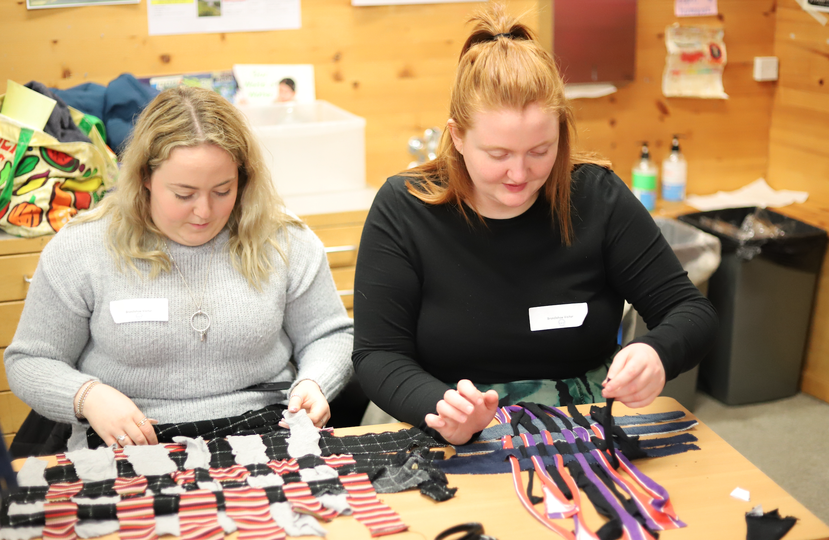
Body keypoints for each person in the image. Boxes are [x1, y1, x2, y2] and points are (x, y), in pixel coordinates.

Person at [352, 5, 717, 445]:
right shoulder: (404, 208)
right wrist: (441, 407)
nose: (520, 175)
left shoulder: (595, 197)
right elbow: (378, 355)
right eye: (499, 155)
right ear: (458, 136)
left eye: (540, 150)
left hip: (576, 420)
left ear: (560, 132)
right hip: (438, 419)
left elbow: (691, 312)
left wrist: (657, 353)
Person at [4, 86, 354, 452]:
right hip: (128, 440)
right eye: (183, 194)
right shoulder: (82, 248)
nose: (203, 211)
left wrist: (314, 382)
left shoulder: (284, 239)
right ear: (144, 178)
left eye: (223, 190)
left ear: (244, 177)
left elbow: (328, 334)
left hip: (264, 431)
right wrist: (87, 397)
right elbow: (32, 360)